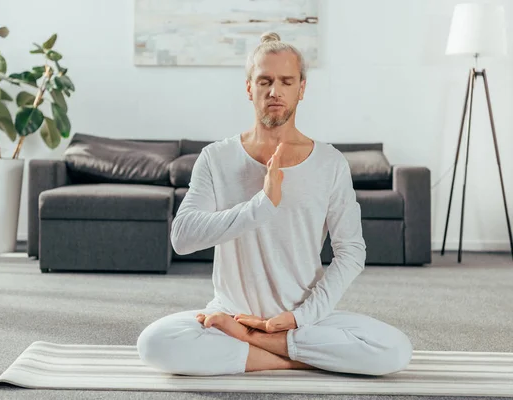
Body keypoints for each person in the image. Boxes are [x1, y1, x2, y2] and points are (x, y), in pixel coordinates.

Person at [136, 32, 413, 376]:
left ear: (302, 88)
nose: (275, 91)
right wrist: (262, 204)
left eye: (286, 81)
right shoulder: (216, 157)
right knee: (154, 343)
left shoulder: (330, 163)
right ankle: (293, 357)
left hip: (303, 319)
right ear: (249, 88)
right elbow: (183, 237)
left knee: (395, 350)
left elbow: (352, 251)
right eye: (265, 81)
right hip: (230, 312)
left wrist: (300, 318)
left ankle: (259, 344)